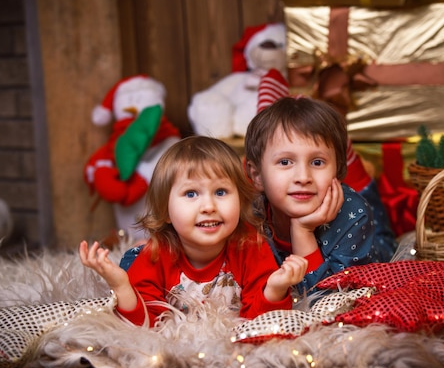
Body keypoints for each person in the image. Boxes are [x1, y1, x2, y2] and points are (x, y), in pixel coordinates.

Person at [80, 136, 308, 327]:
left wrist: (275, 289)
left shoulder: (250, 246)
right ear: (166, 211)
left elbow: (260, 322)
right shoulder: (156, 254)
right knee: (133, 262)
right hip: (152, 254)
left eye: (220, 192)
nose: (208, 207)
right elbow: (144, 326)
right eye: (191, 194)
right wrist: (121, 286)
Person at [244, 96, 396, 295]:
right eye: (285, 162)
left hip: (375, 251)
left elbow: (331, 302)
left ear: (339, 171)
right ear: (257, 176)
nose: (303, 177)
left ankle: (358, 170)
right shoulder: (248, 216)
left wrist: (302, 230)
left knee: (387, 240)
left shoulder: (354, 214)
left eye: (317, 162)